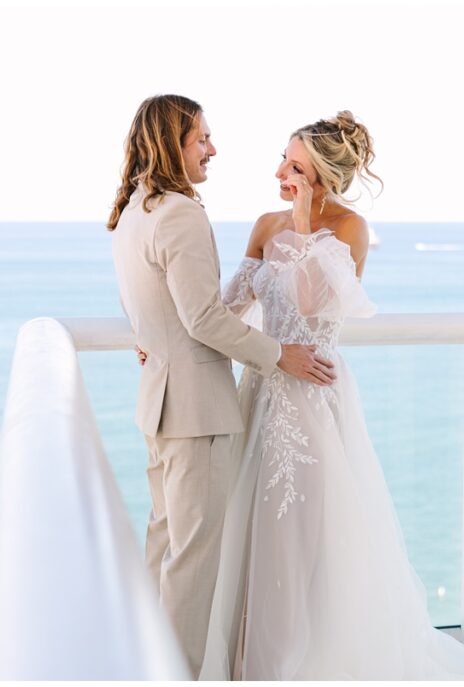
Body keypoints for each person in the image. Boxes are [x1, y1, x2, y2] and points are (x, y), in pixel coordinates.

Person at [197, 111, 464, 680]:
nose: (279, 173)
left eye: (294, 167)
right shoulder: (264, 226)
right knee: (249, 536)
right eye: (283, 161)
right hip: (260, 394)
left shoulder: (349, 229)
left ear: (322, 176)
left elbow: (312, 304)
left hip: (313, 403)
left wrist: (302, 215)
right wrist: (162, 336)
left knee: (298, 541)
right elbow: (227, 309)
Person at [107, 94, 337, 678]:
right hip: (197, 411)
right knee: (192, 565)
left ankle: (149, 666)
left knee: (165, 549)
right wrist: (277, 354)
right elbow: (205, 318)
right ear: (171, 145)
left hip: (159, 406)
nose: (213, 149)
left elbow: (155, 301)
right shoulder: (180, 212)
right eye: (201, 139)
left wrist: (150, 337)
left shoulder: (136, 207)